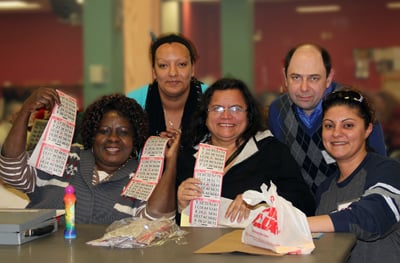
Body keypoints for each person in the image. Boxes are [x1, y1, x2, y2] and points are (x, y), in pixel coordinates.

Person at [0, 88, 181, 224]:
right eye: (104, 131)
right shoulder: (65, 157)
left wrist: (172, 161)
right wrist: (25, 112)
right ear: (92, 134)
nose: (113, 139)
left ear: (135, 138)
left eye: (123, 132)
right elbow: (11, 172)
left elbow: (156, 221)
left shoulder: (142, 176)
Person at [177, 78, 315, 225]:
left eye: (236, 108)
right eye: (217, 108)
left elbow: (305, 204)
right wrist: (180, 205)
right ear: (205, 115)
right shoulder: (189, 156)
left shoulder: (271, 151)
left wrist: (260, 200)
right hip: (198, 244)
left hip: (253, 245)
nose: (226, 116)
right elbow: (170, 223)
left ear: (249, 114)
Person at [267, 43, 386, 195]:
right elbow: (277, 169)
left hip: (351, 204)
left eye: (314, 78)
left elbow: (380, 169)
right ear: (285, 77)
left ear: (329, 78)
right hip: (301, 209)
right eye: (296, 77)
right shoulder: (277, 111)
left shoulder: (355, 106)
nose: (304, 88)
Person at [307, 88, 400, 263]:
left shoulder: (389, 171)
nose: (336, 133)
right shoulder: (324, 190)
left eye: (348, 125)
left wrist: (297, 224)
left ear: (367, 130)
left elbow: (370, 219)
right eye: (329, 125)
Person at [127, 33, 207, 142]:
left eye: (181, 64)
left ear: (192, 69)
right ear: (154, 72)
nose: (173, 73)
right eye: (163, 65)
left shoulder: (212, 98)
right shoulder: (133, 102)